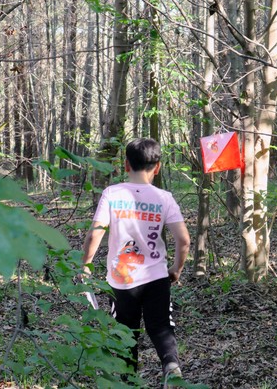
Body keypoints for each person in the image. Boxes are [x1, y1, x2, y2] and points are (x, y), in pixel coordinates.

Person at [81, 138, 190, 383]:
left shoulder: (112, 193)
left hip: (121, 280)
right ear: (158, 167)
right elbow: (183, 240)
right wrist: (176, 269)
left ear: (126, 165)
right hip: (156, 278)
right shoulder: (164, 198)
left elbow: (94, 234)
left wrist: (85, 266)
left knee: (125, 332)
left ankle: (128, 382)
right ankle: (171, 366)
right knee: (161, 326)